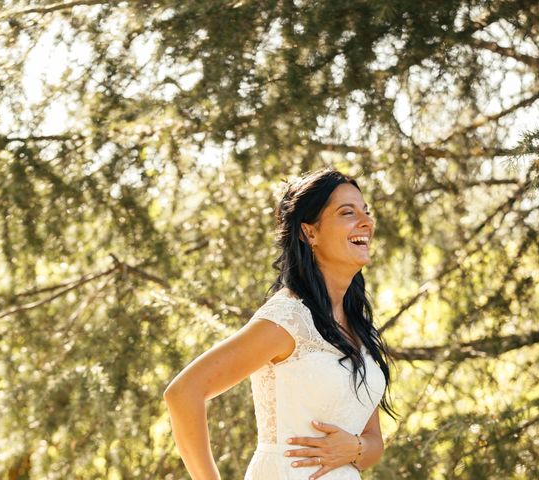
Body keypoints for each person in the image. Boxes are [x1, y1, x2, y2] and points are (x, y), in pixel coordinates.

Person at [163, 168, 396, 479]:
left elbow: (373, 443)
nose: (366, 222)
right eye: (347, 212)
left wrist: (353, 448)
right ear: (309, 232)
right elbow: (183, 393)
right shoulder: (287, 318)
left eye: (366, 212)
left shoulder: (358, 326)